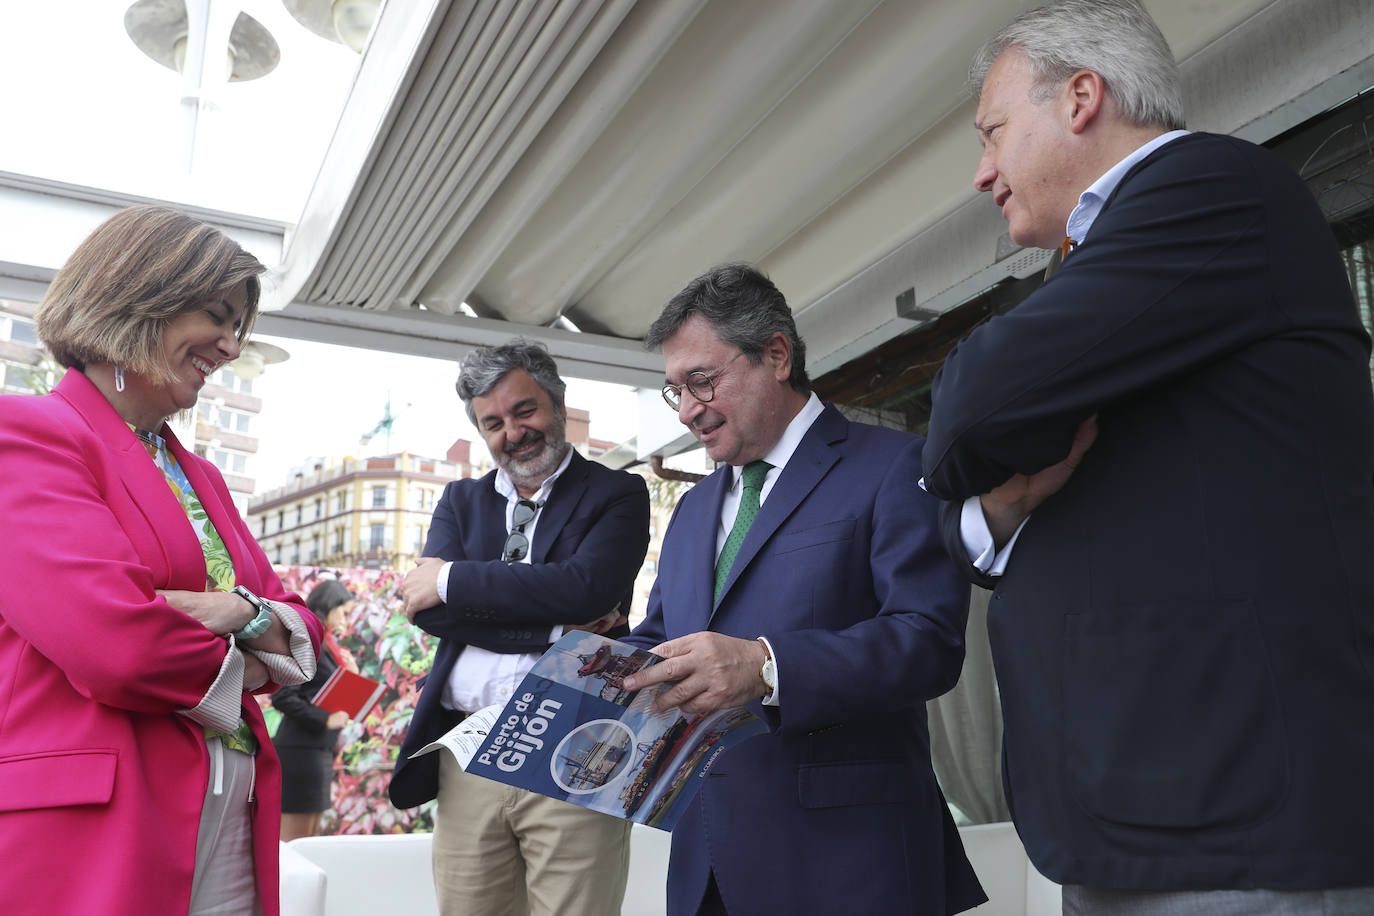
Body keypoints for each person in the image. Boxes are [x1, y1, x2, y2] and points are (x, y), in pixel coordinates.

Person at [921, 1, 1374, 913]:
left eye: (993, 133)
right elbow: (973, 493)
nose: (982, 174)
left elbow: (976, 406)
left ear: (1082, 96)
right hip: (1141, 809)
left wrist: (979, 438)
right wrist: (1002, 507)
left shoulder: (1207, 186)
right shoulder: (1107, 257)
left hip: (1232, 815)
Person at [620, 263, 986, 916]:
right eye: (673, 389)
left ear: (777, 355)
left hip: (847, 866)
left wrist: (766, 668)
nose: (687, 411)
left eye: (701, 381)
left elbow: (928, 640)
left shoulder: (894, 465)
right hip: (705, 868)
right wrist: (590, 672)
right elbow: (665, 639)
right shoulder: (691, 508)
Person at [0, 205, 322, 915]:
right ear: (138, 297)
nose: (232, 346)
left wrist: (239, 609)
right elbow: (113, 642)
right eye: (217, 316)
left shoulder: (201, 476)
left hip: (231, 803)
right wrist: (257, 655)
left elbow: (301, 624)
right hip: (94, 816)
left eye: (239, 327)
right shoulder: (25, 430)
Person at [390, 339, 650, 916]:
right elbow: (430, 611)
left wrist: (454, 581)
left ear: (556, 404)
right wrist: (559, 633)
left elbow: (587, 589)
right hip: (468, 749)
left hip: (575, 745)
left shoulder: (618, 494)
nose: (513, 432)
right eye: (493, 423)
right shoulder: (460, 501)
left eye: (524, 411)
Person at [272, 578, 358, 842]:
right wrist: (326, 719)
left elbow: (329, 695)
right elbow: (283, 696)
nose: (345, 620)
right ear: (330, 605)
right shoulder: (310, 642)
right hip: (301, 751)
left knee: (310, 836)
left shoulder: (327, 645)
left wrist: (351, 675)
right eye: (344, 612)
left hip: (317, 749)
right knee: (296, 838)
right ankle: (284, 885)